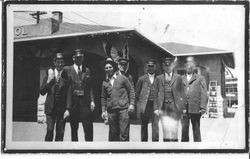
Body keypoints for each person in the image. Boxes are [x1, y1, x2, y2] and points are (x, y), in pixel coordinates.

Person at [101, 58, 135, 141]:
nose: (108, 69)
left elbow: (131, 91)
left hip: (123, 110)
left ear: (114, 68)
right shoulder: (105, 83)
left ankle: (124, 152)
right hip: (111, 111)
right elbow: (103, 98)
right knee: (113, 133)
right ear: (104, 70)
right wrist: (103, 111)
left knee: (124, 133)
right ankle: (113, 152)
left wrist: (132, 104)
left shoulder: (122, 78)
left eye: (110, 67)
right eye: (106, 68)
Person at [40, 53, 71, 141]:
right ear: (54, 63)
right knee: (50, 130)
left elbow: (69, 94)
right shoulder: (49, 75)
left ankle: (58, 152)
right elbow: (42, 92)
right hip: (50, 108)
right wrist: (49, 82)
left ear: (64, 63)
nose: (60, 64)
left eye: (61, 62)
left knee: (60, 132)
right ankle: (48, 151)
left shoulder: (67, 76)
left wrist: (68, 109)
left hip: (61, 109)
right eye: (58, 62)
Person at [66, 49, 95, 141]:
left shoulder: (87, 70)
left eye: (81, 57)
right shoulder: (67, 69)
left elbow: (90, 87)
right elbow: (56, 70)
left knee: (88, 127)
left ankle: (89, 147)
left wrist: (92, 100)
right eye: (77, 57)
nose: (79, 59)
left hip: (85, 102)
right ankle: (75, 148)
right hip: (73, 102)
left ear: (83, 58)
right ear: (73, 58)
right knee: (74, 127)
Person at [154, 57, 184, 142]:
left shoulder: (178, 78)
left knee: (174, 127)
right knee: (165, 128)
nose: (167, 67)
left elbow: (183, 94)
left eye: (169, 65)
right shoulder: (158, 78)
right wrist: (156, 108)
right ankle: (166, 149)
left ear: (173, 66)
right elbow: (155, 94)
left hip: (175, 107)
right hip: (163, 107)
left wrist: (181, 108)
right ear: (163, 66)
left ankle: (175, 148)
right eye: (165, 65)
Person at [181, 57, 208, 142]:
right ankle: (185, 151)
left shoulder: (200, 78)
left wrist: (203, 107)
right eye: (187, 64)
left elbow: (204, 94)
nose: (189, 66)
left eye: (191, 64)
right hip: (184, 110)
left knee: (196, 131)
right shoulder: (180, 79)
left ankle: (197, 150)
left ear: (194, 66)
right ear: (185, 66)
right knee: (184, 131)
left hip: (195, 109)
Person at [135, 59, 159, 142]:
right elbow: (137, 93)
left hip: (155, 105)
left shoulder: (159, 78)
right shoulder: (141, 79)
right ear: (146, 67)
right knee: (144, 125)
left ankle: (155, 144)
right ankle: (144, 144)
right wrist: (141, 103)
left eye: (152, 66)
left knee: (155, 125)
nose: (151, 68)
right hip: (145, 105)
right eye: (149, 66)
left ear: (155, 67)